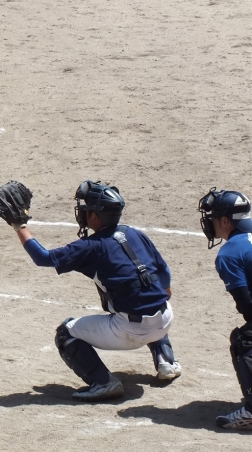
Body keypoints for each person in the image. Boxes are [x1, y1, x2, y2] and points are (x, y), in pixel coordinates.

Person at [14, 180, 181, 401]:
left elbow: (43, 258)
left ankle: (103, 382)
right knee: (149, 296)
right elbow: (164, 270)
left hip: (129, 330)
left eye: (86, 209)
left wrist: (19, 225)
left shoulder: (90, 247)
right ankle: (166, 361)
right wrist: (166, 289)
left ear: (94, 217)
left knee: (65, 332)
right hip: (165, 319)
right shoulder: (135, 234)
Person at [198, 188, 252, 429]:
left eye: (212, 218)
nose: (209, 223)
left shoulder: (230, 253)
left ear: (225, 221)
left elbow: (247, 305)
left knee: (244, 341)